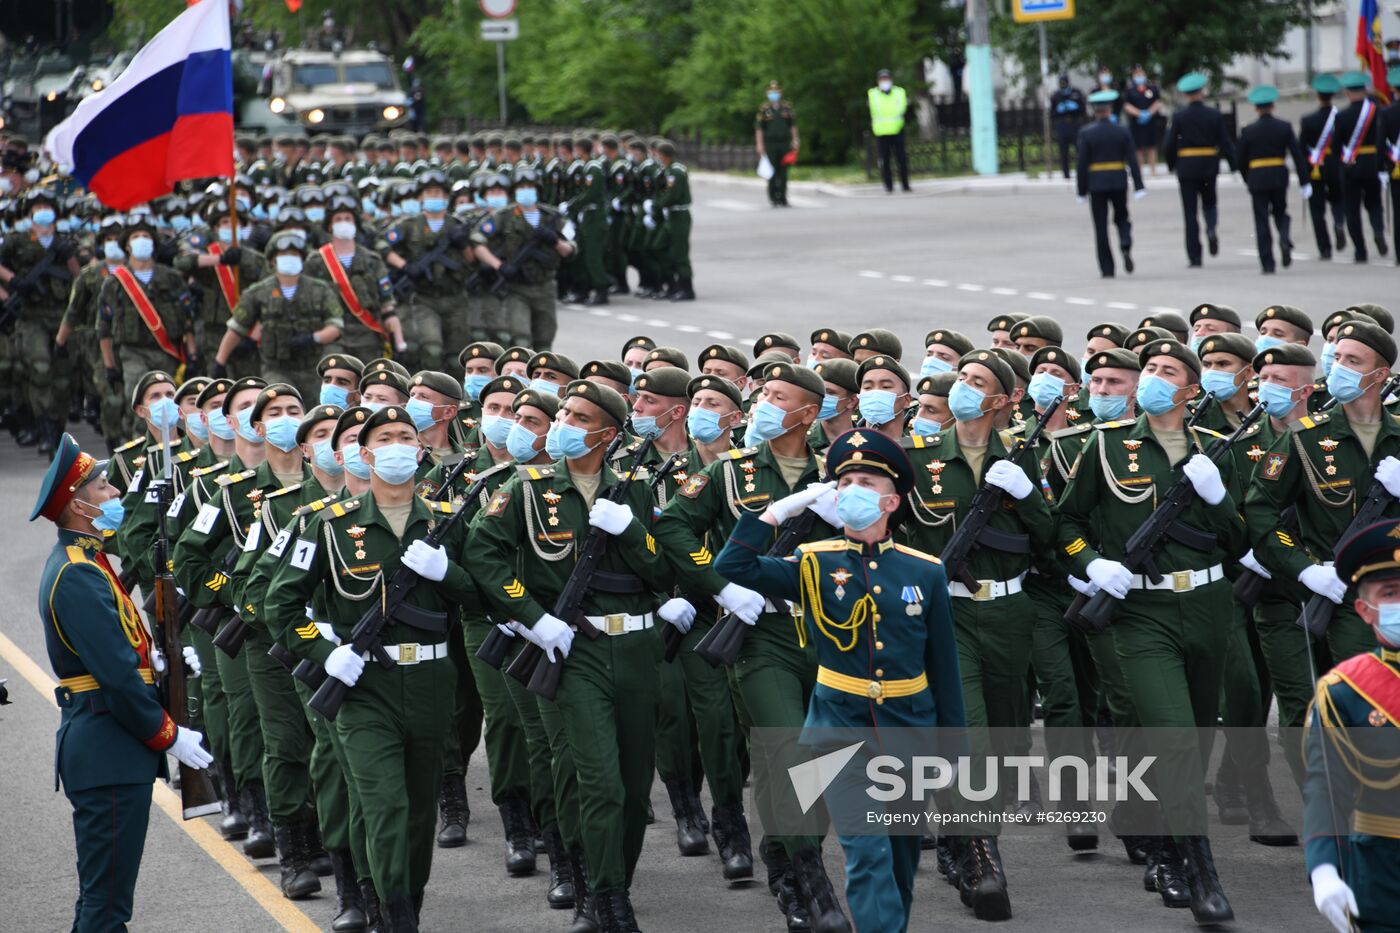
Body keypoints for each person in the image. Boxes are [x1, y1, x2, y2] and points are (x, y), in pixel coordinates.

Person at [715, 428, 964, 933]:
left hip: (908, 727)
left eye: (864, 481)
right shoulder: (814, 562)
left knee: (899, 860)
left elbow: (945, 669)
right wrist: (777, 511)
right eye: (843, 479)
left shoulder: (927, 571)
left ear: (891, 499)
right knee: (866, 853)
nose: (850, 488)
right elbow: (733, 565)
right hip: (837, 728)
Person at [468, 381, 679, 931]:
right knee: (600, 783)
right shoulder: (527, 487)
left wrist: (633, 532)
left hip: (635, 648)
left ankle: (613, 883)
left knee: (634, 792)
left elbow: (662, 573)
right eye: (562, 411)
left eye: (577, 415)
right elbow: (482, 554)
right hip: (573, 651)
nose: (562, 421)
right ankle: (603, 895)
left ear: (606, 433)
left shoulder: (632, 490)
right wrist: (533, 617)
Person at [265, 405, 480, 931]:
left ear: (422, 449)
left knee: (419, 815)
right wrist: (325, 652)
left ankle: (405, 901)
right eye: (385, 438)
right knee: (384, 807)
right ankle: (395, 917)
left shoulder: (448, 520)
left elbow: (482, 598)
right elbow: (280, 606)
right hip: (364, 687)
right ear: (364, 454)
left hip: (431, 683)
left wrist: (448, 572)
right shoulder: (329, 525)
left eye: (407, 436)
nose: (398, 446)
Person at [1057, 339, 1243, 924]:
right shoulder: (1108, 445)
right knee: (1173, 735)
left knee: (1200, 733)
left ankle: (1160, 835)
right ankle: (1198, 870)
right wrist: (1091, 563)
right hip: (1142, 613)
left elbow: (1240, 542)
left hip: (1210, 605)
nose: (1156, 378)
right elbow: (1065, 519)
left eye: (1170, 372)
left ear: (1192, 391)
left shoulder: (1217, 450)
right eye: (1151, 370)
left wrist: (1217, 499)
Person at [33, 432, 212, 933]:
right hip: (106, 748)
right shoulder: (76, 573)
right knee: (106, 907)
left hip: (111, 749)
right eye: (104, 486)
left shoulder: (90, 562)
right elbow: (113, 675)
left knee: (106, 901)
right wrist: (169, 734)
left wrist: (161, 661)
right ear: (78, 503)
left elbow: (122, 648)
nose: (114, 494)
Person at [1302, 518, 1400, 933]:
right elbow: (1327, 788)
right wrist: (1323, 868)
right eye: (1392, 593)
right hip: (1383, 874)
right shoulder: (1345, 692)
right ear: (1365, 610)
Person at [1238, 85, 1311, 274]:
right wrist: (1304, 180)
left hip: (1257, 177)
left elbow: (1241, 160)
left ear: (1256, 108)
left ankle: (1267, 263)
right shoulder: (1284, 127)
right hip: (1279, 176)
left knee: (1261, 220)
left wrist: (1248, 179)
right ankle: (1284, 238)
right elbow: (1297, 155)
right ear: (1273, 106)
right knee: (1281, 212)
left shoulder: (1248, 130)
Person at [1076, 90, 1145, 278]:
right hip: (1118, 180)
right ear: (1110, 109)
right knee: (1122, 216)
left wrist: (1081, 191)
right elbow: (1132, 159)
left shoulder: (1086, 133)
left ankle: (1107, 268)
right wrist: (1139, 185)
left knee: (1100, 226)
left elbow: (1081, 164)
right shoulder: (1122, 130)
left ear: (1095, 110)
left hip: (1096, 183)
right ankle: (1125, 240)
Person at [1332, 71, 1389, 263]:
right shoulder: (1378, 111)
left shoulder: (1342, 116)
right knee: (1374, 204)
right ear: (1365, 90)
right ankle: (1378, 231)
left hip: (1351, 166)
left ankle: (1360, 250)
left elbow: (1335, 146)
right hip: (1374, 162)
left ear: (1348, 92)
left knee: (1352, 209)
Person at [1299, 74, 1349, 260]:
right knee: (1338, 200)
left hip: (1315, 167)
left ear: (1318, 95)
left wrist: (1304, 174)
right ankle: (1339, 222)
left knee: (1317, 209)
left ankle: (1325, 248)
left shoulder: (1308, 120)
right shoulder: (1341, 117)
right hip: (1335, 165)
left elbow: (1301, 148)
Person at [653, 141, 695, 302]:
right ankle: (672, 283)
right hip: (670, 215)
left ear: (663, 155)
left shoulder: (676, 171)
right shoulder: (669, 169)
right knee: (659, 246)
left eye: (658, 154)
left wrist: (656, 205)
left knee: (680, 253)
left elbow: (673, 195)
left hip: (679, 215)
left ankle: (687, 288)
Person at [755, 81, 799, 207]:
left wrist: (795, 140)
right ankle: (773, 197)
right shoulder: (764, 110)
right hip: (770, 144)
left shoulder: (787, 108)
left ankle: (783, 197)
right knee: (772, 171)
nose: (774, 94)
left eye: (776, 92)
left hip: (784, 144)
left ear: (780, 93)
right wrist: (759, 144)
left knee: (784, 172)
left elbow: (793, 126)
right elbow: (759, 129)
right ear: (768, 94)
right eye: (771, 92)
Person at [868, 69, 911, 193]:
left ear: (891, 80)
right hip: (881, 132)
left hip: (897, 130)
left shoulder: (899, 92)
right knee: (885, 161)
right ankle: (888, 186)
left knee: (901, 159)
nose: (885, 81)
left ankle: (905, 184)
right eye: (882, 79)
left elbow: (903, 108)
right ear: (878, 81)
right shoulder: (873, 94)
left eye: (886, 79)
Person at [1122, 66, 1164, 176]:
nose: (1139, 77)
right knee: (1137, 147)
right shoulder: (1130, 90)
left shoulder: (1152, 88)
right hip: (1136, 122)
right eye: (1137, 75)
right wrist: (1139, 113)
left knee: (1152, 146)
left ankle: (1153, 171)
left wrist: (1149, 113)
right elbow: (1126, 105)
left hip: (1151, 121)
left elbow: (1158, 102)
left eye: (1141, 74)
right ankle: (1138, 171)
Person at [1379, 65, 1400, 264]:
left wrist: (1381, 169)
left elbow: (1380, 143)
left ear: (1393, 90)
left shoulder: (1386, 114)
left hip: (1396, 169)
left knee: (1398, 211)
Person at [1050, 75, 1087, 180]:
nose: (1063, 85)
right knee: (1063, 151)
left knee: (1079, 149)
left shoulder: (1076, 93)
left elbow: (1083, 109)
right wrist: (1059, 110)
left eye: (1064, 82)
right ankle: (1066, 174)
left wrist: (1075, 107)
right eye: (1061, 83)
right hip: (1062, 124)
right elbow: (1052, 113)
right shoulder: (1056, 96)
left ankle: (1080, 171)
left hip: (1075, 124)